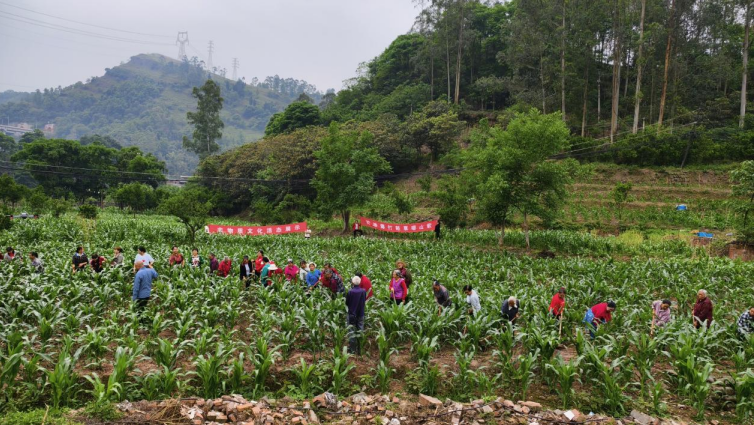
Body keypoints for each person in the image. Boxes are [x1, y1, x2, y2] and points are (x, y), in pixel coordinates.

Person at [346, 276, 367, 354]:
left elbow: (347, 303)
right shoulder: (363, 291)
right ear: (360, 282)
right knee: (360, 330)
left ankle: (352, 350)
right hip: (361, 313)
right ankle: (360, 349)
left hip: (352, 314)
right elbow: (364, 300)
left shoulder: (350, 292)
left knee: (351, 331)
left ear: (352, 282)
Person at [132, 261, 158, 325]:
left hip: (140, 295)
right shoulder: (150, 270)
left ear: (138, 266)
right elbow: (156, 275)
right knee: (144, 308)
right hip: (147, 294)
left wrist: (134, 298)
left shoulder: (139, 274)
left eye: (135, 266)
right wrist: (152, 268)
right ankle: (144, 322)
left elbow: (136, 287)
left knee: (139, 310)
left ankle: (141, 324)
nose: (135, 268)